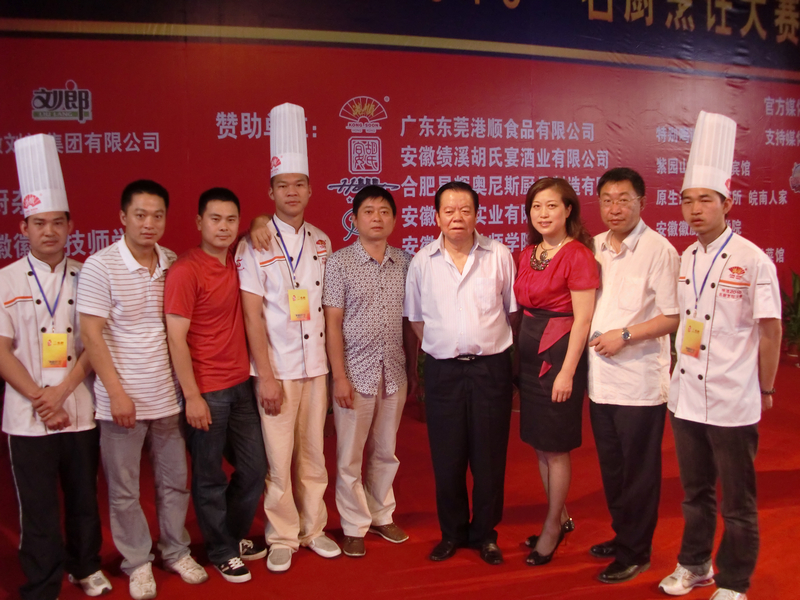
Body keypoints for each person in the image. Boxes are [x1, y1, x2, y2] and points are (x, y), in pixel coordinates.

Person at [658, 111, 781, 600]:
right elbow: (687, 326)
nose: (694, 209)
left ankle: (734, 581)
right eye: (687, 200)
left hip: (733, 398)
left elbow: (770, 330)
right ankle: (695, 564)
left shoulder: (753, 259)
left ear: (727, 203)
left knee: (738, 502)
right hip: (687, 397)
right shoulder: (686, 257)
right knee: (695, 493)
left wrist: (766, 387)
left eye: (705, 200)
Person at [78, 180, 208, 600]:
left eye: (157, 215)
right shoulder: (100, 266)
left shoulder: (171, 262)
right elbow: (91, 335)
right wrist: (116, 393)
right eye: (140, 215)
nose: (149, 223)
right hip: (122, 402)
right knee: (124, 490)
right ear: (123, 217)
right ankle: (136, 562)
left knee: (175, 483)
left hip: (167, 398)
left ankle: (175, 551)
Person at [0, 134, 111, 600]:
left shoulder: (89, 275)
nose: (49, 231)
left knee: (84, 497)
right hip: (28, 416)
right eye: (39, 223)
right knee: (38, 506)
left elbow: (94, 342)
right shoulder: (5, 280)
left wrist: (61, 392)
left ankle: (85, 565)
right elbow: (2, 350)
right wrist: (41, 398)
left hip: (79, 407)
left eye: (57, 223)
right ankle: (43, 581)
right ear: (23, 227)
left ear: (70, 226)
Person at [236, 102, 340, 573]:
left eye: (299, 184)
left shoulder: (322, 241)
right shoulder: (254, 243)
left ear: (311, 189)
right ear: (271, 191)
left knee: (314, 456)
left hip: (316, 368)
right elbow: (252, 316)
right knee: (278, 461)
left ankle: (313, 529)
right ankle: (281, 535)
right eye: (283, 185)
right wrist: (266, 376)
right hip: (276, 370)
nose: (292, 192)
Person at [404, 181, 518, 566]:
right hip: (444, 372)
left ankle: (485, 534)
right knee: (447, 457)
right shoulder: (422, 262)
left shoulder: (499, 255)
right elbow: (416, 319)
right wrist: (445, 344)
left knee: (489, 458)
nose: (457, 217)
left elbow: (512, 311)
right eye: (449, 211)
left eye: (465, 210)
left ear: (476, 215)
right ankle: (451, 533)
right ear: (436, 217)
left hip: (490, 370)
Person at [164, 188, 268, 583]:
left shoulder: (239, 257)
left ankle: (230, 535)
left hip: (241, 385)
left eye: (230, 220)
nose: (223, 227)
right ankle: (221, 550)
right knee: (209, 477)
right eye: (214, 219)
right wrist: (192, 396)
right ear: (199, 222)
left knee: (255, 468)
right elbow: (176, 338)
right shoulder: (185, 270)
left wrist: (257, 222)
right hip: (206, 390)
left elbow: (261, 223)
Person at [586, 167, 680, 583]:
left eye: (624, 199)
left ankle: (636, 551)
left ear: (642, 202)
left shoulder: (659, 250)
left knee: (639, 471)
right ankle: (623, 535)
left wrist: (624, 335)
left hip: (639, 383)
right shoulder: (593, 246)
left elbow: (672, 317)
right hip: (600, 382)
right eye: (607, 200)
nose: (615, 208)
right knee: (612, 468)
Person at [322, 185, 415, 558]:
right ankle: (353, 525)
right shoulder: (339, 263)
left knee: (386, 451)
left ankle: (381, 514)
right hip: (354, 374)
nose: (377, 218)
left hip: (394, 372)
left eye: (384, 212)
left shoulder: (406, 262)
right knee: (349, 455)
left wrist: (413, 368)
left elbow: (410, 322)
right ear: (355, 219)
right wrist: (339, 377)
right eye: (369, 211)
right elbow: (332, 324)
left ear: (394, 219)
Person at [514, 177, 598, 566]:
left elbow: (583, 320)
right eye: (536, 207)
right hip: (530, 352)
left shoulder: (577, 254)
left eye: (552, 206)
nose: (543, 213)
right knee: (539, 442)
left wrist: (567, 372)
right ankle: (559, 516)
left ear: (568, 210)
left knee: (556, 445)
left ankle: (552, 528)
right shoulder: (528, 252)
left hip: (560, 354)